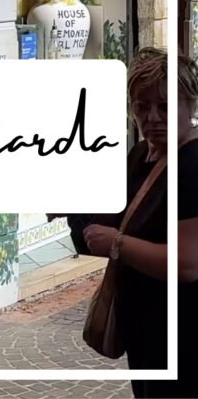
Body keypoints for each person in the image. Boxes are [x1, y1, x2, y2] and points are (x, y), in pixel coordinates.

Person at [66, 48, 198, 398]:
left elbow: (187, 264)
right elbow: (114, 222)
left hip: (184, 334)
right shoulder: (142, 154)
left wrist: (117, 244)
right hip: (147, 328)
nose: (153, 117)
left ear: (191, 105)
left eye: (166, 106)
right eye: (142, 106)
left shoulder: (192, 165)